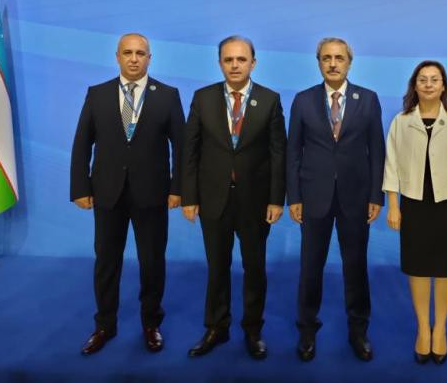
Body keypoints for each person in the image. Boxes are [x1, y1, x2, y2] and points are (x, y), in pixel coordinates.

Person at [71, 33, 184, 355]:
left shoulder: (167, 95)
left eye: (140, 53)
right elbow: (82, 143)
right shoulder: (98, 94)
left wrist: (178, 189)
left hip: (153, 194)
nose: (134, 58)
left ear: (150, 58)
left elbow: (182, 146)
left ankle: (151, 323)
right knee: (106, 262)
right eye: (128, 53)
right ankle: (104, 325)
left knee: (152, 262)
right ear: (117, 57)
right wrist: (80, 187)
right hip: (107, 193)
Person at [181, 35, 286, 360]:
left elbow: (278, 153)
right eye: (229, 60)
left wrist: (276, 199)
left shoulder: (269, 100)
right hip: (213, 200)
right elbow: (190, 151)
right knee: (217, 267)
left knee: (254, 268)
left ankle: (253, 329)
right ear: (220, 64)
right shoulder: (203, 98)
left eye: (241, 59)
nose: (235, 65)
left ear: (253, 63)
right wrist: (189, 197)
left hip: (256, 202)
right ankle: (217, 327)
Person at [286, 37, 385, 362]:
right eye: (326, 58)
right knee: (310, 268)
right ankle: (306, 330)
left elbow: (377, 151)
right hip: (313, 197)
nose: (332, 63)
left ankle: (358, 331)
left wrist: (376, 195)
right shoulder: (303, 100)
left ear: (349, 63)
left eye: (339, 58)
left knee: (355, 267)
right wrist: (294, 196)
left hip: (356, 198)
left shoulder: (367, 99)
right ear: (318, 62)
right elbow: (293, 152)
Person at [383, 61, 447, 365]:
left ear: (443, 86)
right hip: (414, 204)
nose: (428, 84)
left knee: (446, 268)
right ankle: (422, 329)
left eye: (434, 79)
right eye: (422, 79)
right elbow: (391, 165)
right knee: (418, 267)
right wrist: (393, 205)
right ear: (414, 85)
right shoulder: (402, 121)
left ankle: (440, 329)